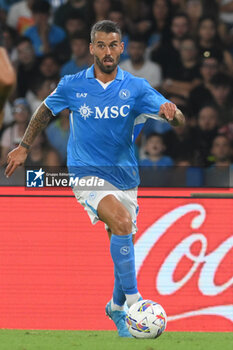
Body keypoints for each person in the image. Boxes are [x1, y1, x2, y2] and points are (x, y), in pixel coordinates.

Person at [5, 20, 185, 337]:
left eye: (113, 45)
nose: (107, 51)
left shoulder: (138, 88)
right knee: (121, 221)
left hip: (125, 177)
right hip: (85, 175)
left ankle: (115, 306)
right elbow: (45, 110)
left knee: (121, 234)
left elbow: (178, 119)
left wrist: (174, 113)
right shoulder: (73, 85)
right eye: (100, 45)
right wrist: (24, 146)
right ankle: (136, 304)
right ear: (91, 48)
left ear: (121, 48)